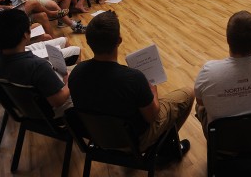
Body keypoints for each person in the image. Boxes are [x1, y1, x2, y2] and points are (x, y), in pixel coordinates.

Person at [68, 11, 194, 154]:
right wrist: (153, 91)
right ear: (119, 40)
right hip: (133, 142)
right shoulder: (133, 78)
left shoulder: (76, 73)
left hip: (97, 137)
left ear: (88, 41)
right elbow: (152, 116)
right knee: (188, 94)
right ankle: (166, 148)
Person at [194, 11, 251, 136]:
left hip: (223, 145)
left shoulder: (208, 73)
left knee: (200, 107)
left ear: (228, 39)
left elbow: (201, 103)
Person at [0, 9, 72, 118]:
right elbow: (58, 101)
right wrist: (68, 83)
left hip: (23, 108)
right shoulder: (39, 67)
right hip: (49, 113)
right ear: (25, 35)